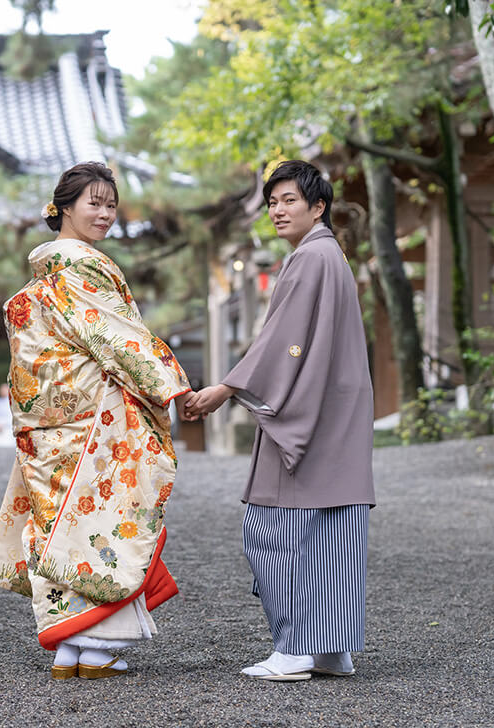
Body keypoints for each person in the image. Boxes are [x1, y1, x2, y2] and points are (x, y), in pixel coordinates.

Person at [0, 161, 193, 680]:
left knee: (59, 526)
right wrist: (172, 386)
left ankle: (68, 647)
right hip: (95, 422)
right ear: (64, 208)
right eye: (94, 203)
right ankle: (96, 646)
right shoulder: (80, 268)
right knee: (101, 519)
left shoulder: (43, 278)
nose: (105, 213)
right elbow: (118, 337)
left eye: (111, 205)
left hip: (47, 427)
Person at [185, 160, 375, 682]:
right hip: (335, 410)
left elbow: (281, 340)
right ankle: (332, 649)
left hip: (307, 415)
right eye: (272, 202)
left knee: (273, 528)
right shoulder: (329, 255)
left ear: (318, 207)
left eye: (289, 199)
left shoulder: (310, 258)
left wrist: (225, 387)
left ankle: (294, 650)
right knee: (334, 533)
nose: (278, 210)